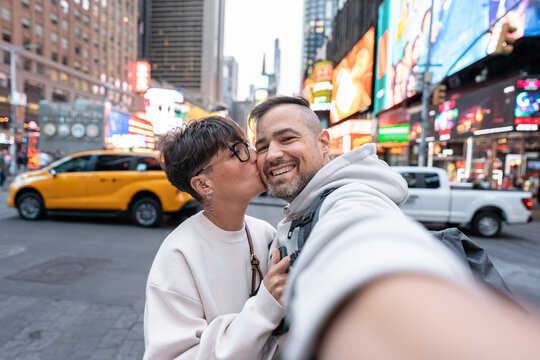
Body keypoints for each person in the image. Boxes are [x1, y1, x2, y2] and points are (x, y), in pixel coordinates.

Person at [250, 96, 540, 359]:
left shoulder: (350, 198)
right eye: (262, 147)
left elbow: (364, 243)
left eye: (287, 138)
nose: (272, 154)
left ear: (324, 142)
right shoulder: (298, 210)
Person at [143, 116, 290, 359]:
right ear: (203, 185)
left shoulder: (264, 233)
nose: (254, 156)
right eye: (236, 152)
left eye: (248, 145)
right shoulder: (178, 254)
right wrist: (264, 308)